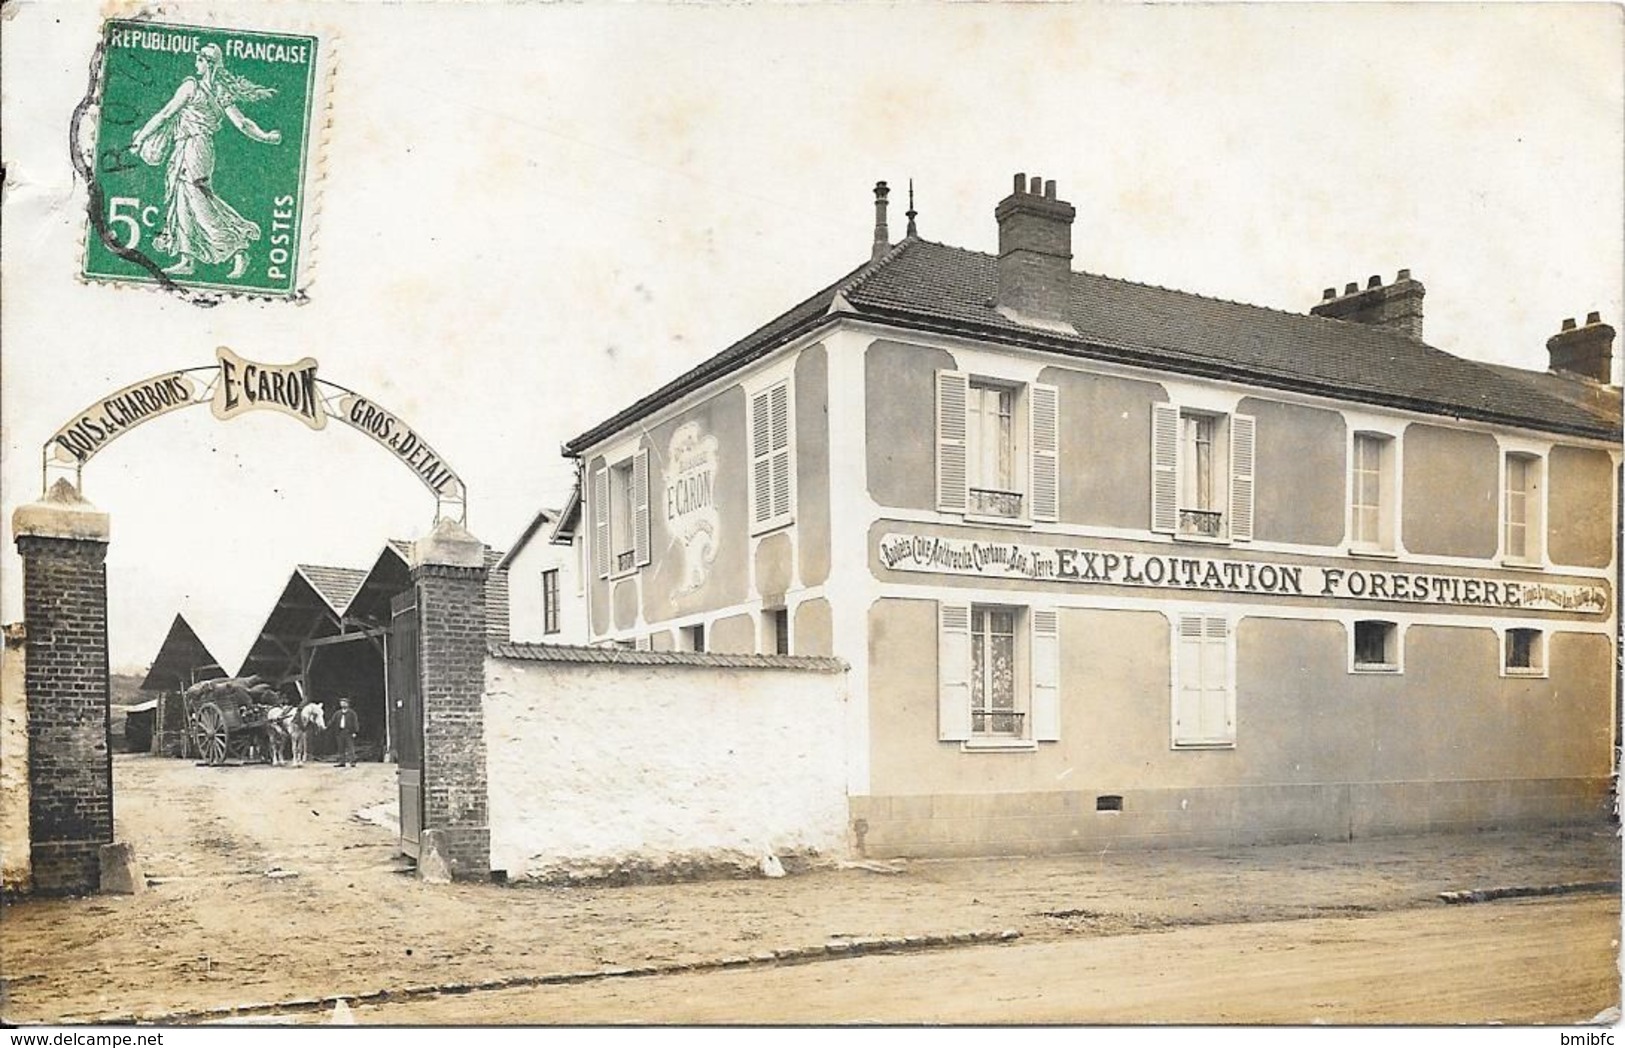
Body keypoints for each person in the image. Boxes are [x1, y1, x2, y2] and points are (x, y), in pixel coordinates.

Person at [128, 43, 282, 278]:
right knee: (183, 200)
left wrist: (141, 137)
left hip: (193, 148)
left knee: (198, 202)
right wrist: (265, 136)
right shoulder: (219, 90)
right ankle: (187, 258)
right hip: (194, 148)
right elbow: (243, 123)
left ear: (207, 62)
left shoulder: (191, 86)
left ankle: (238, 248)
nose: (195, 63)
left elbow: (166, 113)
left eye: (199, 59)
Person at [334, 697, 360, 767]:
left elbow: (355, 722)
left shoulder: (352, 713)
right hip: (340, 732)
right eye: (341, 703)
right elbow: (332, 722)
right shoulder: (337, 713)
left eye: (344, 703)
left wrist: (355, 732)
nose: (343, 704)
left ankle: (352, 762)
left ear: (348, 704)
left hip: (349, 732)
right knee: (341, 748)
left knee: (350, 747)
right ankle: (342, 762)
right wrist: (325, 727)